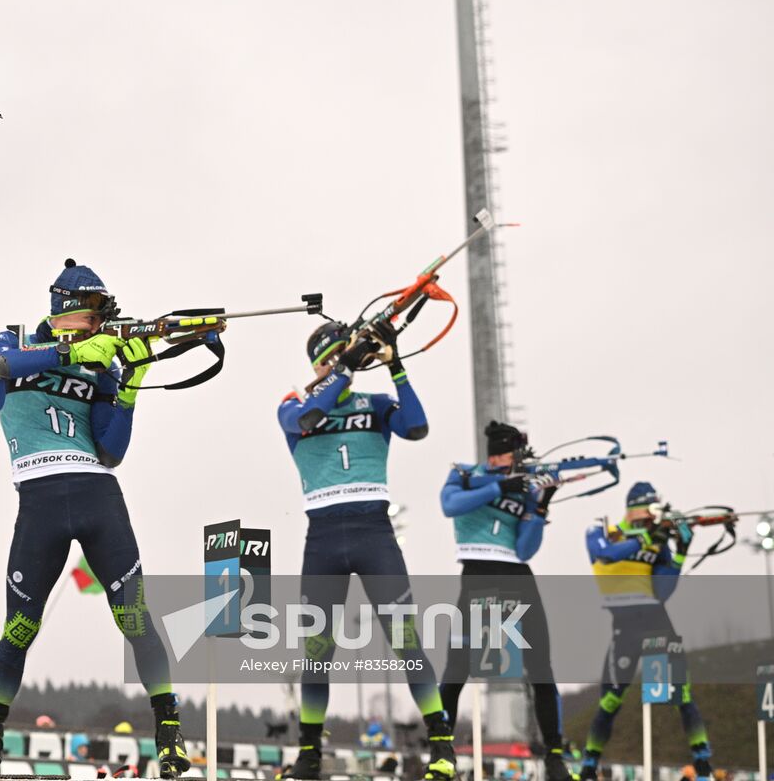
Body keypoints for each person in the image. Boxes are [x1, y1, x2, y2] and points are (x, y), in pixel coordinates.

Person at [0, 260, 190, 778]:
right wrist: (71, 351)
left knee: (135, 617)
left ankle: (169, 734)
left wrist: (129, 382)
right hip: (38, 498)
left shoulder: (101, 361)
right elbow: (1, 367)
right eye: (96, 312)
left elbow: (111, 449)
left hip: (97, 494)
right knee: (19, 627)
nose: (102, 323)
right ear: (68, 308)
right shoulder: (14, 338)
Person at [277, 320, 454, 781]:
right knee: (317, 650)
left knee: (406, 641)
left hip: (374, 529)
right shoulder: (293, 403)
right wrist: (345, 370)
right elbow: (307, 420)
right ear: (317, 364)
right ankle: (309, 753)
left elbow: (416, 426)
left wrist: (394, 366)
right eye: (330, 356)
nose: (338, 360)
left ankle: (441, 744)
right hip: (323, 535)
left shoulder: (375, 405)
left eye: (345, 352)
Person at [439, 421, 569, 781]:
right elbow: (450, 505)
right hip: (478, 572)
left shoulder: (524, 486)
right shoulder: (465, 474)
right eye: (500, 456)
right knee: (457, 668)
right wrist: (498, 485)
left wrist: (540, 506)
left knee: (540, 667)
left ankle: (555, 755)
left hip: (516, 576)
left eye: (509, 459)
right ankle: (440, 748)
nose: (504, 463)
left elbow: (525, 547)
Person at [578, 482, 713, 781]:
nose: (652, 517)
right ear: (633, 508)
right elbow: (606, 555)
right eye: (648, 510)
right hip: (624, 625)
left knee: (682, 693)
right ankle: (589, 765)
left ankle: (703, 763)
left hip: (655, 619)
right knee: (610, 699)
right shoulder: (604, 530)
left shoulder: (658, 540)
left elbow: (662, 591)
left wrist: (680, 553)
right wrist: (647, 539)